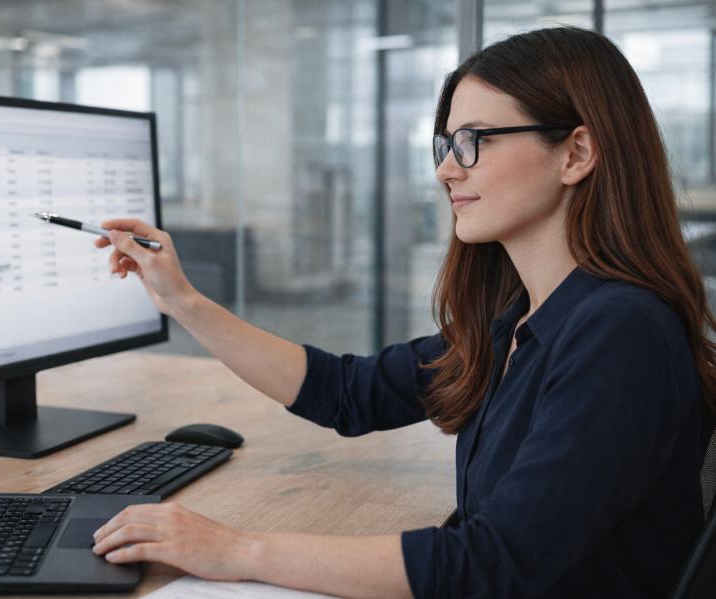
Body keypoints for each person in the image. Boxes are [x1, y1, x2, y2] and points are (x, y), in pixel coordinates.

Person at [89, 26, 716, 598]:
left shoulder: (621, 333)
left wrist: (236, 550)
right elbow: (347, 392)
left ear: (576, 154)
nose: (446, 169)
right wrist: (182, 300)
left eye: (473, 142)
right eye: (446, 144)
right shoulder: (521, 320)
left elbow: (489, 565)